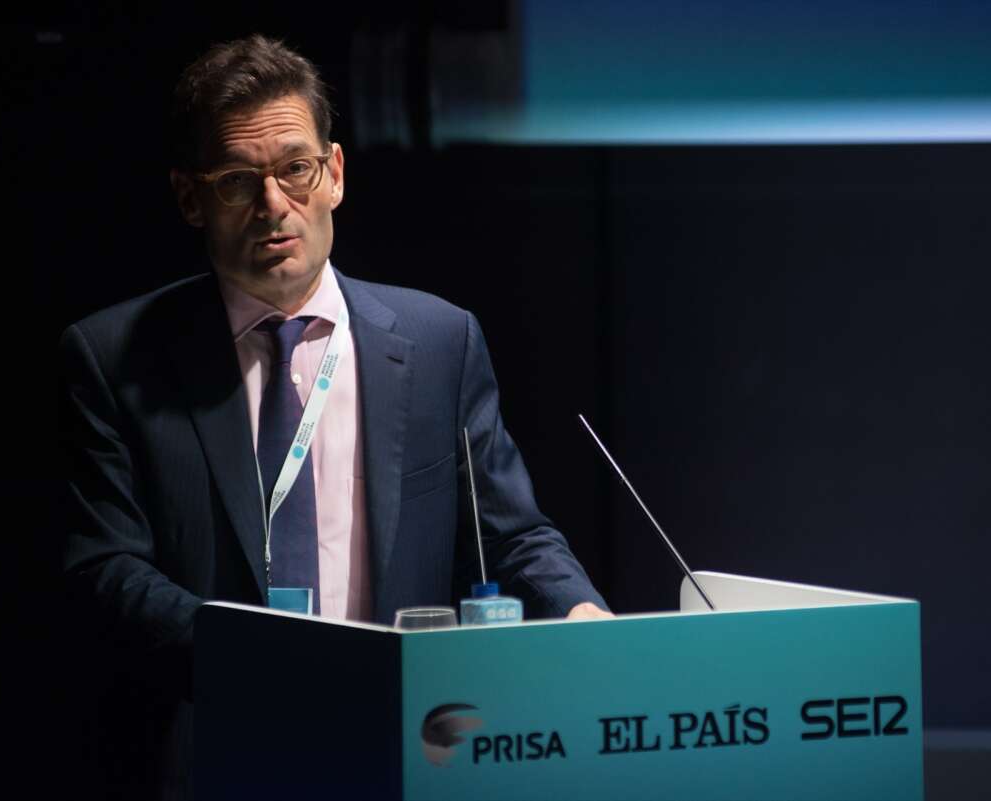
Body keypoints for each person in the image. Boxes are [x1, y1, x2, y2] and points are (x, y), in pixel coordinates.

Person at [59, 33, 609, 800]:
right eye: (235, 180)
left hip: (406, 750)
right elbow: (104, 568)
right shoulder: (112, 356)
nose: (273, 204)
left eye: (294, 168)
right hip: (211, 751)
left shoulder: (438, 341)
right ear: (190, 196)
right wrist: (260, 660)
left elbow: (511, 534)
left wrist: (579, 611)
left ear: (334, 173)